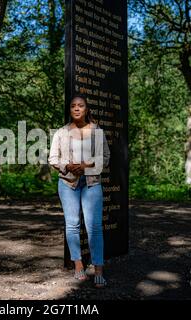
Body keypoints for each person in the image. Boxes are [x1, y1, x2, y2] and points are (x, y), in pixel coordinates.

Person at [48, 94, 111, 288]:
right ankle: (78, 265)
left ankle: (98, 269)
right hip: (68, 184)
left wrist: (85, 165)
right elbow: (52, 159)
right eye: (73, 106)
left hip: (92, 183)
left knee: (94, 227)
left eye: (80, 105)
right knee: (73, 224)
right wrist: (68, 166)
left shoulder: (96, 130)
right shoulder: (61, 132)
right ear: (70, 110)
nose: (76, 108)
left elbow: (106, 157)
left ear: (86, 109)